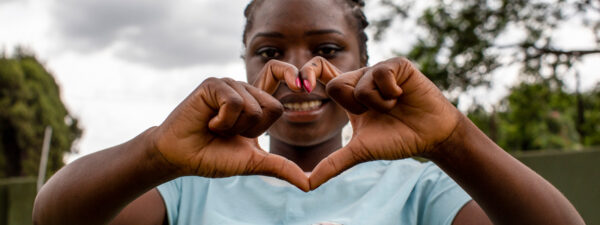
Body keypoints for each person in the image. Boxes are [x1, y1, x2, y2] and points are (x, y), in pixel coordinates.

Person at [33, 0, 585, 224]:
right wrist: (154, 152)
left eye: (326, 50)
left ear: (365, 62)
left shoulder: (417, 186)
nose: (301, 74)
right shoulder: (191, 183)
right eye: (270, 52)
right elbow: (53, 218)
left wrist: (454, 140)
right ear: (245, 65)